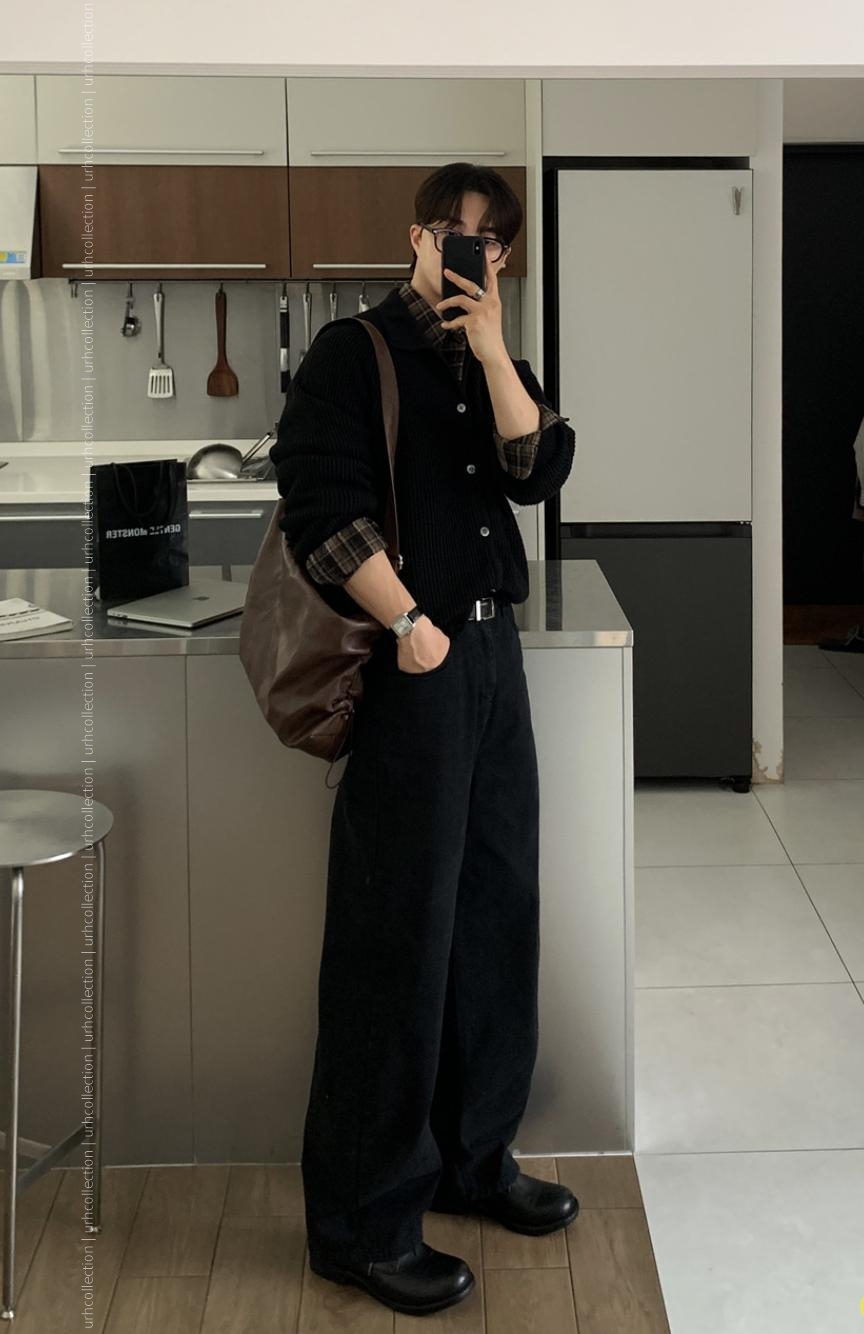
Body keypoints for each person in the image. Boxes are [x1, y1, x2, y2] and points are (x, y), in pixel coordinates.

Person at [269, 161, 577, 1318]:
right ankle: (363, 1222)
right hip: (417, 664)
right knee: (394, 939)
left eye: (488, 239)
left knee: (496, 915)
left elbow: (538, 468)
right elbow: (322, 509)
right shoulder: (353, 353)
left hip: (493, 659)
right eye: (452, 231)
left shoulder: (495, 358)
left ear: (505, 257)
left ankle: (474, 1160)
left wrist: (493, 351)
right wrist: (409, 625)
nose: (468, 250)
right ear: (415, 235)